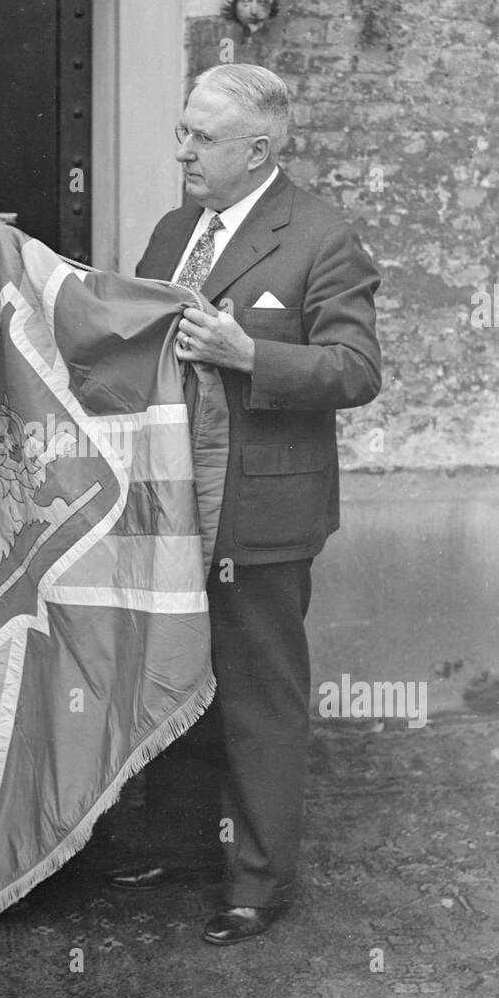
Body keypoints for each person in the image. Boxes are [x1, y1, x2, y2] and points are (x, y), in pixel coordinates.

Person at [110, 63, 381, 944]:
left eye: (199, 136)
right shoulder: (170, 231)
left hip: (261, 514)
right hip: (170, 501)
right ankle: (182, 845)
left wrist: (247, 354)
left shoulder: (321, 237)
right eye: (183, 130)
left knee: (259, 696)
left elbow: (355, 370)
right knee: (180, 671)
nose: (180, 148)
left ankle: (256, 883)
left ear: (256, 149)